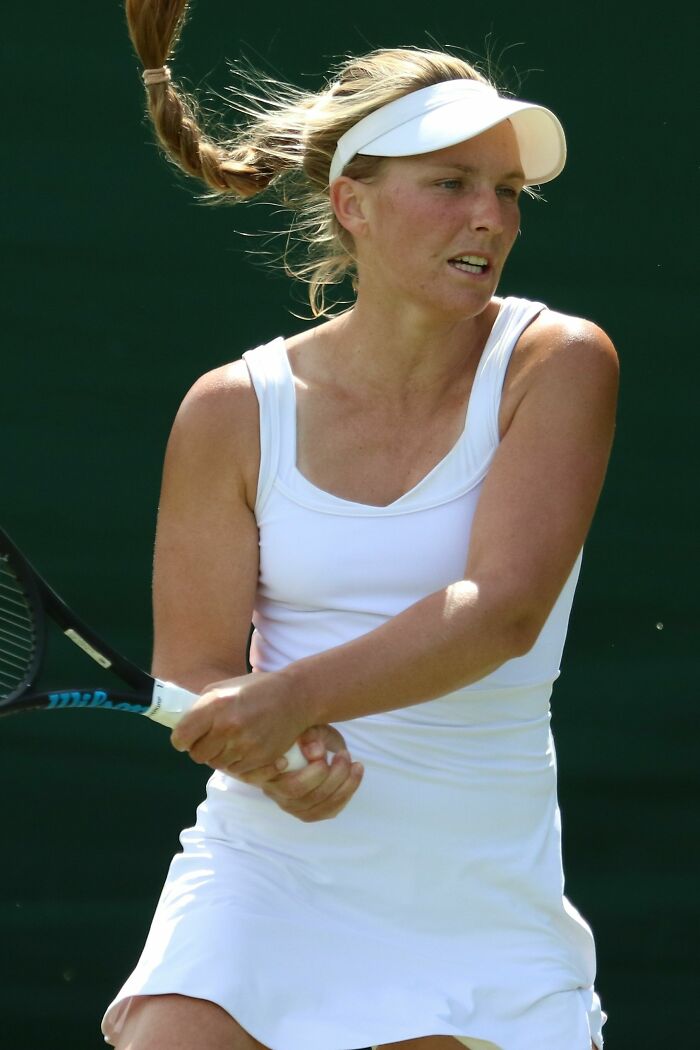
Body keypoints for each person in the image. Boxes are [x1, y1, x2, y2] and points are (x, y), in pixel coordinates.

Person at [104, 5, 618, 1049]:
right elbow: (198, 667)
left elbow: (502, 612)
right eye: (451, 185)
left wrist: (289, 699)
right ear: (354, 205)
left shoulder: (557, 362)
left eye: (509, 193)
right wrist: (264, 753)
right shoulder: (229, 409)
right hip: (266, 877)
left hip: (477, 900)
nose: (492, 218)